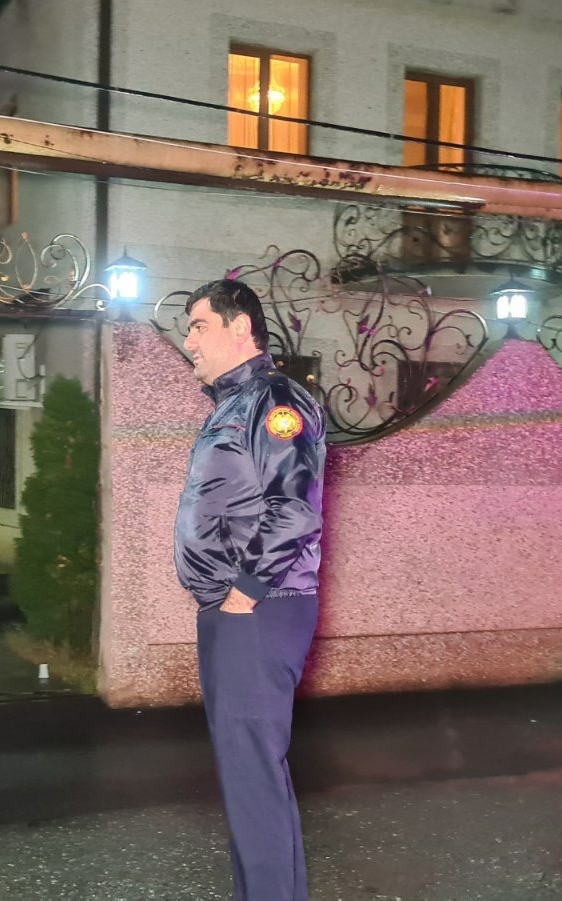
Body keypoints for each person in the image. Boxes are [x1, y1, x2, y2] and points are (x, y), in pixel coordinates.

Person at [174, 279, 326, 901]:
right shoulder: (233, 405)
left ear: (240, 329)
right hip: (237, 611)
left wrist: (245, 591)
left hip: (260, 609)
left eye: (198, 326)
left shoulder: (273, 400)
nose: (188, 341)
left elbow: (294, 507)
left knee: (253, 778)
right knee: (249, 780)